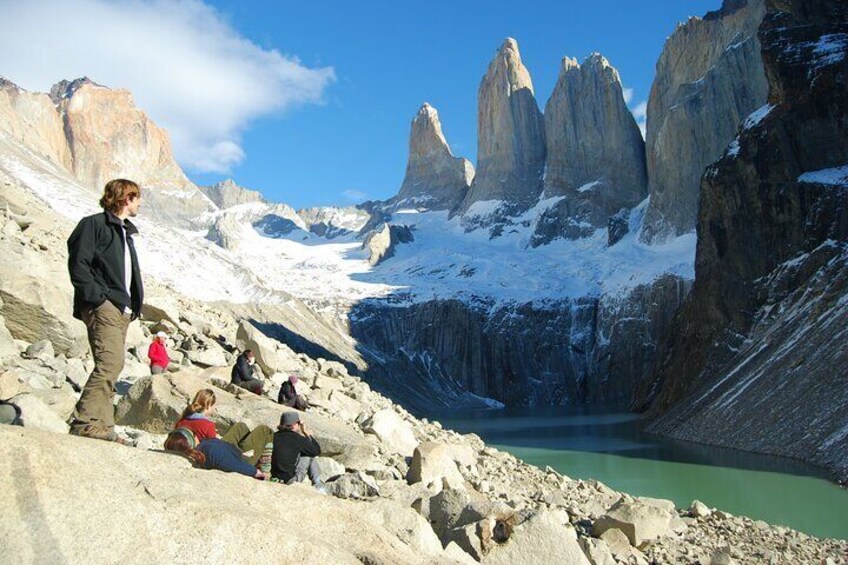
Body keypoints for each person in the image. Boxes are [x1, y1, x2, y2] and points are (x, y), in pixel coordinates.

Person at [67, 179, 143, 444]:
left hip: (120, 309)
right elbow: (79, 263)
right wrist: (96, 300)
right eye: (136, 197)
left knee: (115, 365)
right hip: (105, 305)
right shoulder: (94, 224)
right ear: (125, 198)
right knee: (109, 364)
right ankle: (84, 421)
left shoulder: (124, 231)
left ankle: (104, 427)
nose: (139, 203)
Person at [164, 427, 269, 480]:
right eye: (194, 433)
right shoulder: (211, 452)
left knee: (241, 427)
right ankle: (268, 467)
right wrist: (257, 472)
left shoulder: (202, 449)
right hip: (242, 459)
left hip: (228, 449)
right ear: (192, 439)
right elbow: (235, 466)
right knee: (264, 430)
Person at [271, 412, 325, 492]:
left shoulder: (273, 436)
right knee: (309, 456)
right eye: (298, 423)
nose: (299, 426)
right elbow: (316, 451)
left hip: (274, 477)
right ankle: (318, 484)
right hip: (290, 480)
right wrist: (306, 432)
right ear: (293, 425)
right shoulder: (297, 438)